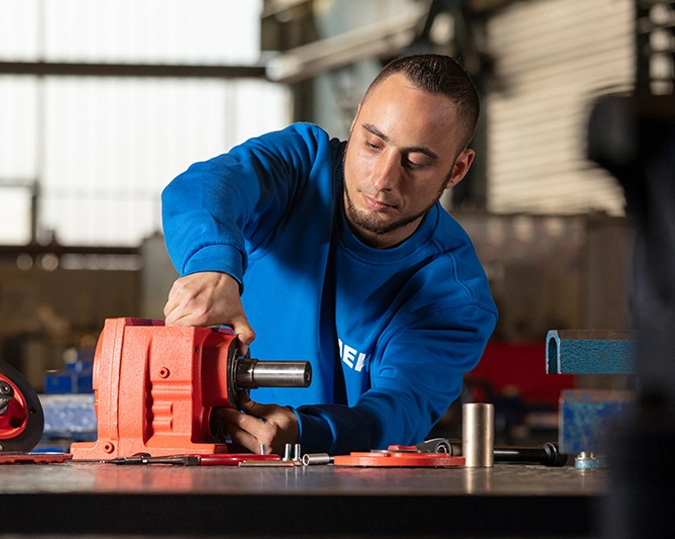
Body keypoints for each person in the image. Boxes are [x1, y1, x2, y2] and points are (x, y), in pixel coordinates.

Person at [160, 54, 498, 456]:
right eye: (372, 144)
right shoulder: (301, 167)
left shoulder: (453, 297)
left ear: (457, 170)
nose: (382, 179)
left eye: (416, 162)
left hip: (334, 494)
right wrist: (212, 265)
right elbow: (203, 187)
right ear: (355, 123)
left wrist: (308, 430)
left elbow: (397, 410)